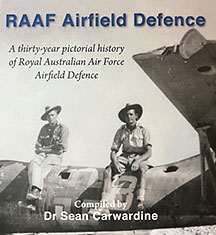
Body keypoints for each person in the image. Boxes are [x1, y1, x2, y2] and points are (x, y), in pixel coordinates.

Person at [99, 103, 152, 213]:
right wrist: (115, 163)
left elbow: (149, 152)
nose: (129, 117)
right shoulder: (121, 131)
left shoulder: (143, 129)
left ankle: (140, 201)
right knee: (108, 171)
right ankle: (103, 203)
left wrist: (138, 161)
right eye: (127, 115)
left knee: (142, 169)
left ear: (136, 116)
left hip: (140, 157)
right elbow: (113, 151)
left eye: (131, 114)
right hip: (124, 157)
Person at [26, 105, 69, 201]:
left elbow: (60, 149)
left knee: (40, 168)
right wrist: (46, 149)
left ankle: (36, 191)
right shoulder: (44, 129)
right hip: (42, 155)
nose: (50, 118)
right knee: (33, 163)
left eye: (52, 115)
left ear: (57, 115)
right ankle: (33, 193)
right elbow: (37, 147)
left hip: (55, 156)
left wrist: (44, 149)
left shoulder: (63, 129)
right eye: (48, 116)